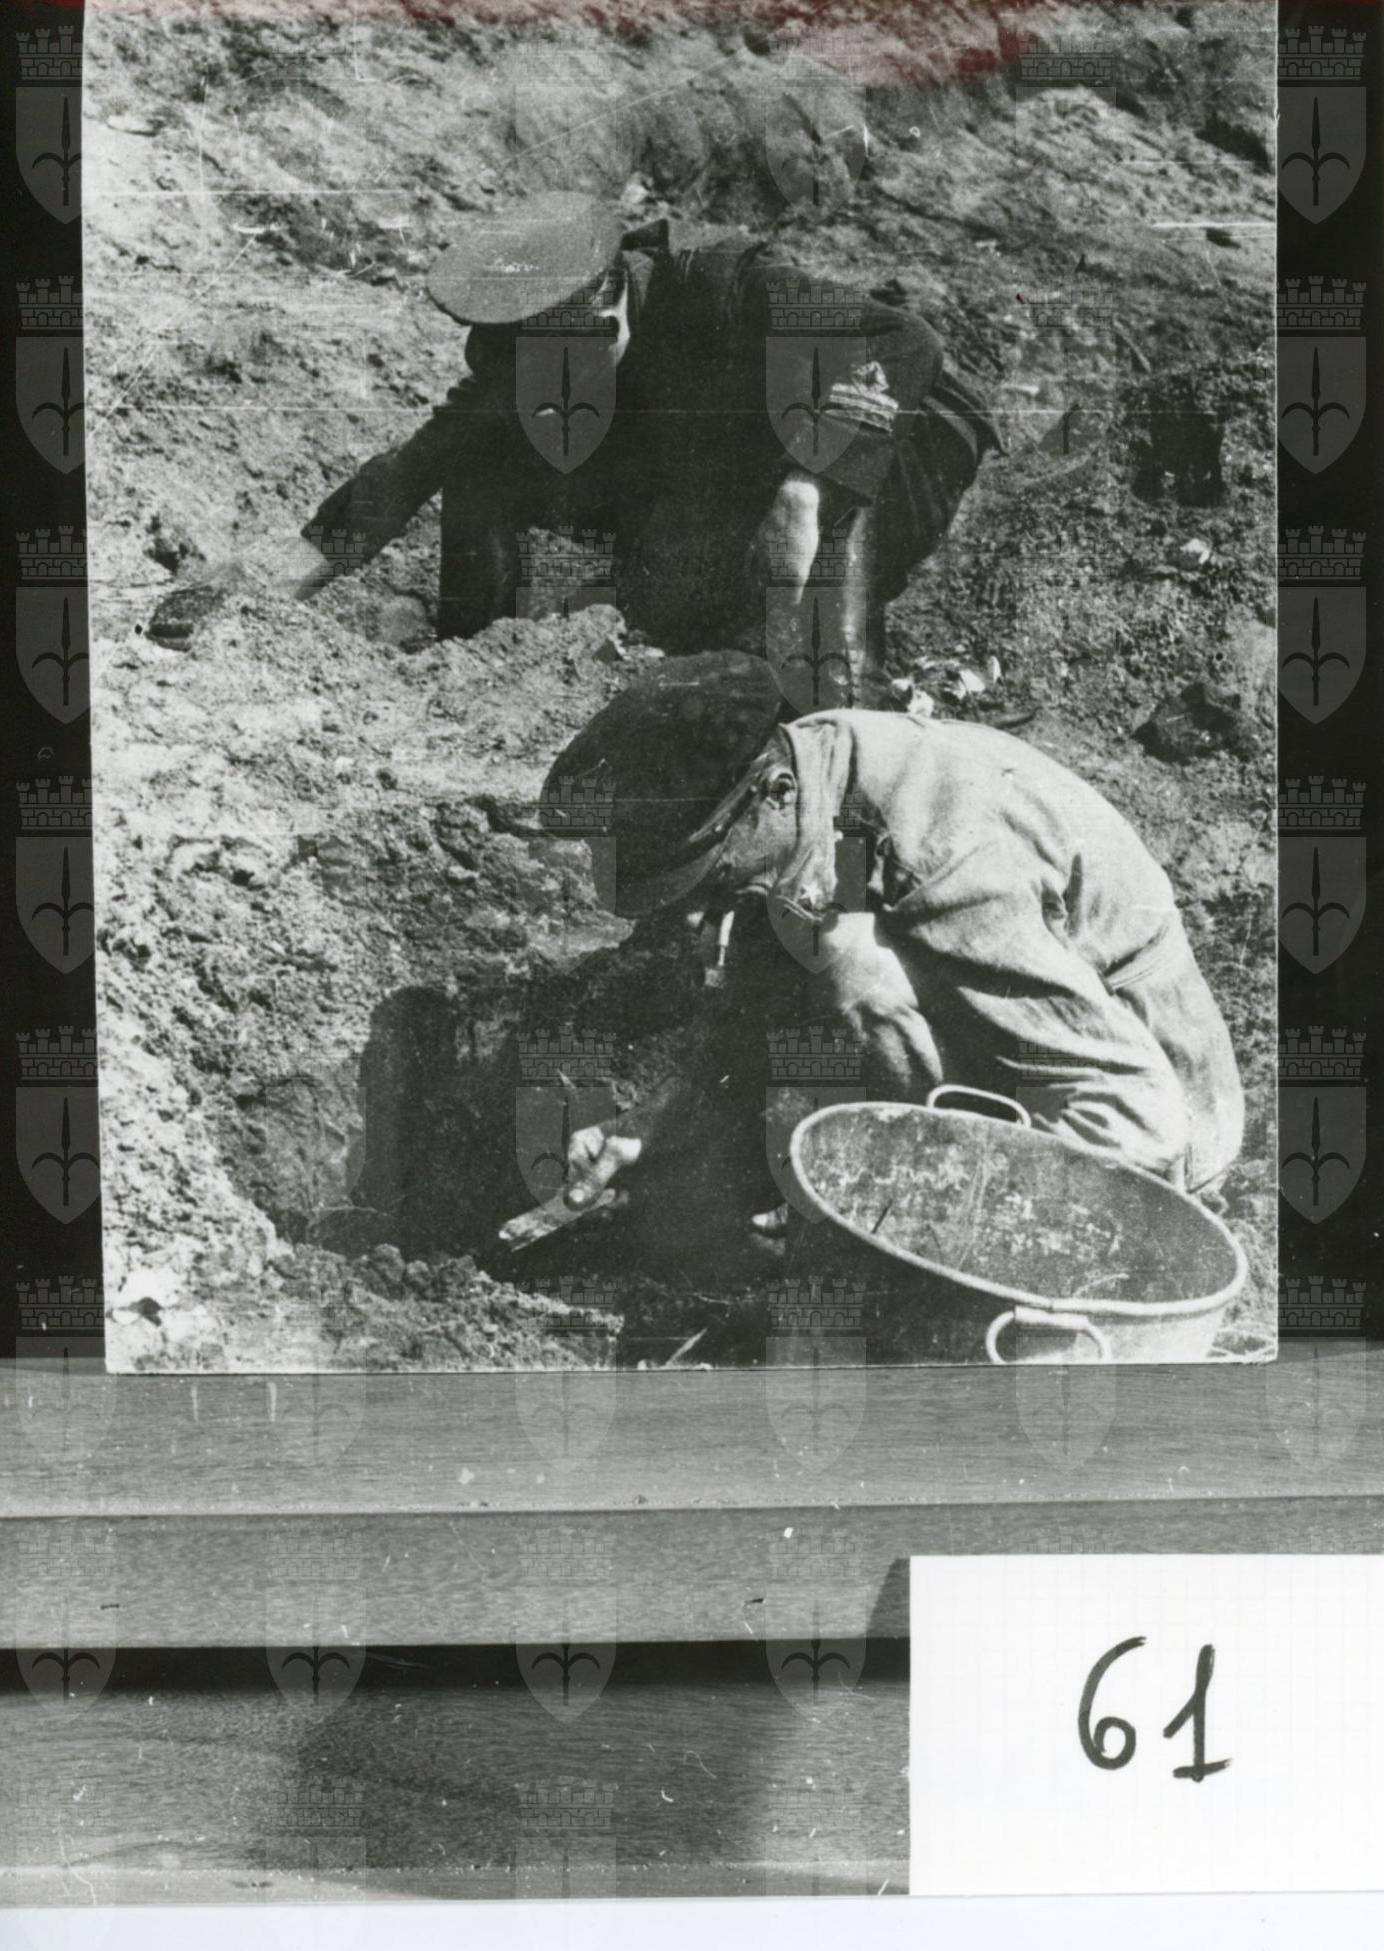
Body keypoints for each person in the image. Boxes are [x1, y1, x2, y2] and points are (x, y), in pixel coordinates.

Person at [537, 652, 1245, 1230]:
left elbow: (1133, 1115)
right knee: (811, 940)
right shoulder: (810, 770)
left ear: (775, 793)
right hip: (1027, 1046)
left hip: (1152, 1112)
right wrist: (655, 1122)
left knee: (853, 967)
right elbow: (766, 983)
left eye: (710, 880)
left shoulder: (949, 860)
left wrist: (920, 1220)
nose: (695, 919)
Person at [292, 191, 1000, 708]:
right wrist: (290, 574)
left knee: (788, 619)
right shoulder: (533, 351)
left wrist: (807, 487)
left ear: (610, 312)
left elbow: (903, 340)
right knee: (484, 460)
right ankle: (474, 658)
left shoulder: (724, 286)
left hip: (902, 443)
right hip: (724, 464)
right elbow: (419, 464)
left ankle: (845, 700)